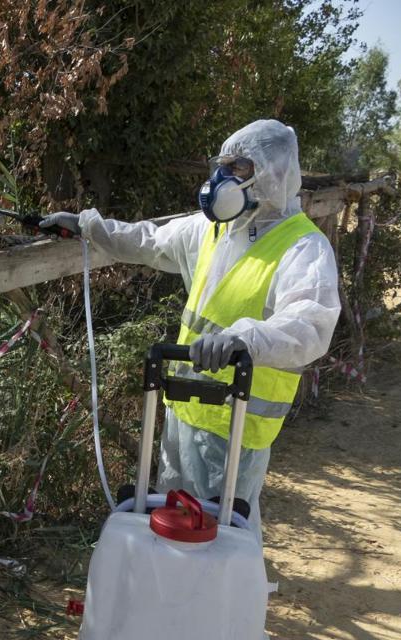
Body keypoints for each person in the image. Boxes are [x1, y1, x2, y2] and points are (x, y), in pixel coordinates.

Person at [40, 119, 340, 537]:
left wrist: (243, 338)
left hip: (235, 427)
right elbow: (148, 241)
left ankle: (225, 603)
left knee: (221, 537)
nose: (223, 179)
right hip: (183, 412)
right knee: (172, 528)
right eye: (223, 167)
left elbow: (311, 324)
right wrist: (87, 226)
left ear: (272, 173)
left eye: (238, 168)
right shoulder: (213, 232)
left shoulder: (303, 247)